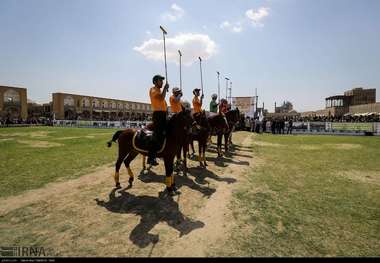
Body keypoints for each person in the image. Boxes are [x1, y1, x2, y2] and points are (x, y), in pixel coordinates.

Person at [148, 74, 169, 166]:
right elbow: (161, 98)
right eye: (160, 80)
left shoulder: (159, 91)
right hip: (158, 115)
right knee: (157, 135)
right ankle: (151, 157)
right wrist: (165, 88)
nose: (162, 82)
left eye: (162, 81)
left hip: (163, 115)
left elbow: (164, 104)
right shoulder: (153, 90)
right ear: (155, 82)